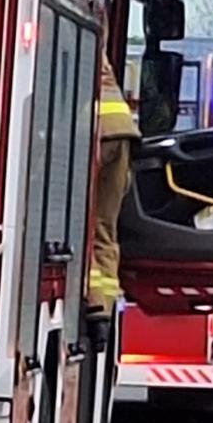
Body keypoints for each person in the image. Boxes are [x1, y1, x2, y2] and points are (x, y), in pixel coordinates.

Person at [87, 54, 141, 330]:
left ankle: (95, 300)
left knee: (80, 224)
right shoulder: (98, 17)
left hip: (93, 128)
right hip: (122, 131)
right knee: (104, 227)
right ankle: (103, 311)